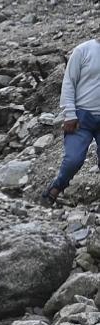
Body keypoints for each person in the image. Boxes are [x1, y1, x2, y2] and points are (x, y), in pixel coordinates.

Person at [42, 37, 100, 203]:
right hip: (81, 116)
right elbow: (68, 83)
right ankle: (57, 187)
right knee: (73, 160)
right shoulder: (83, 50)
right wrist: (70, 114)